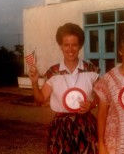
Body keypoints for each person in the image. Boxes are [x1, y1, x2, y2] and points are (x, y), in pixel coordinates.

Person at [28, 23, 99, 154]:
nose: (70, 49)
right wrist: (34, 83)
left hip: (86, 127)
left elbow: (102, 97)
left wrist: (92, 104)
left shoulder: (92, 70)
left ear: (80, 46)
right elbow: (40, 99)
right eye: (66, 45)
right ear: (60, 46)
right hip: (60, 129)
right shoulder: (53, 72)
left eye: (74, 45)